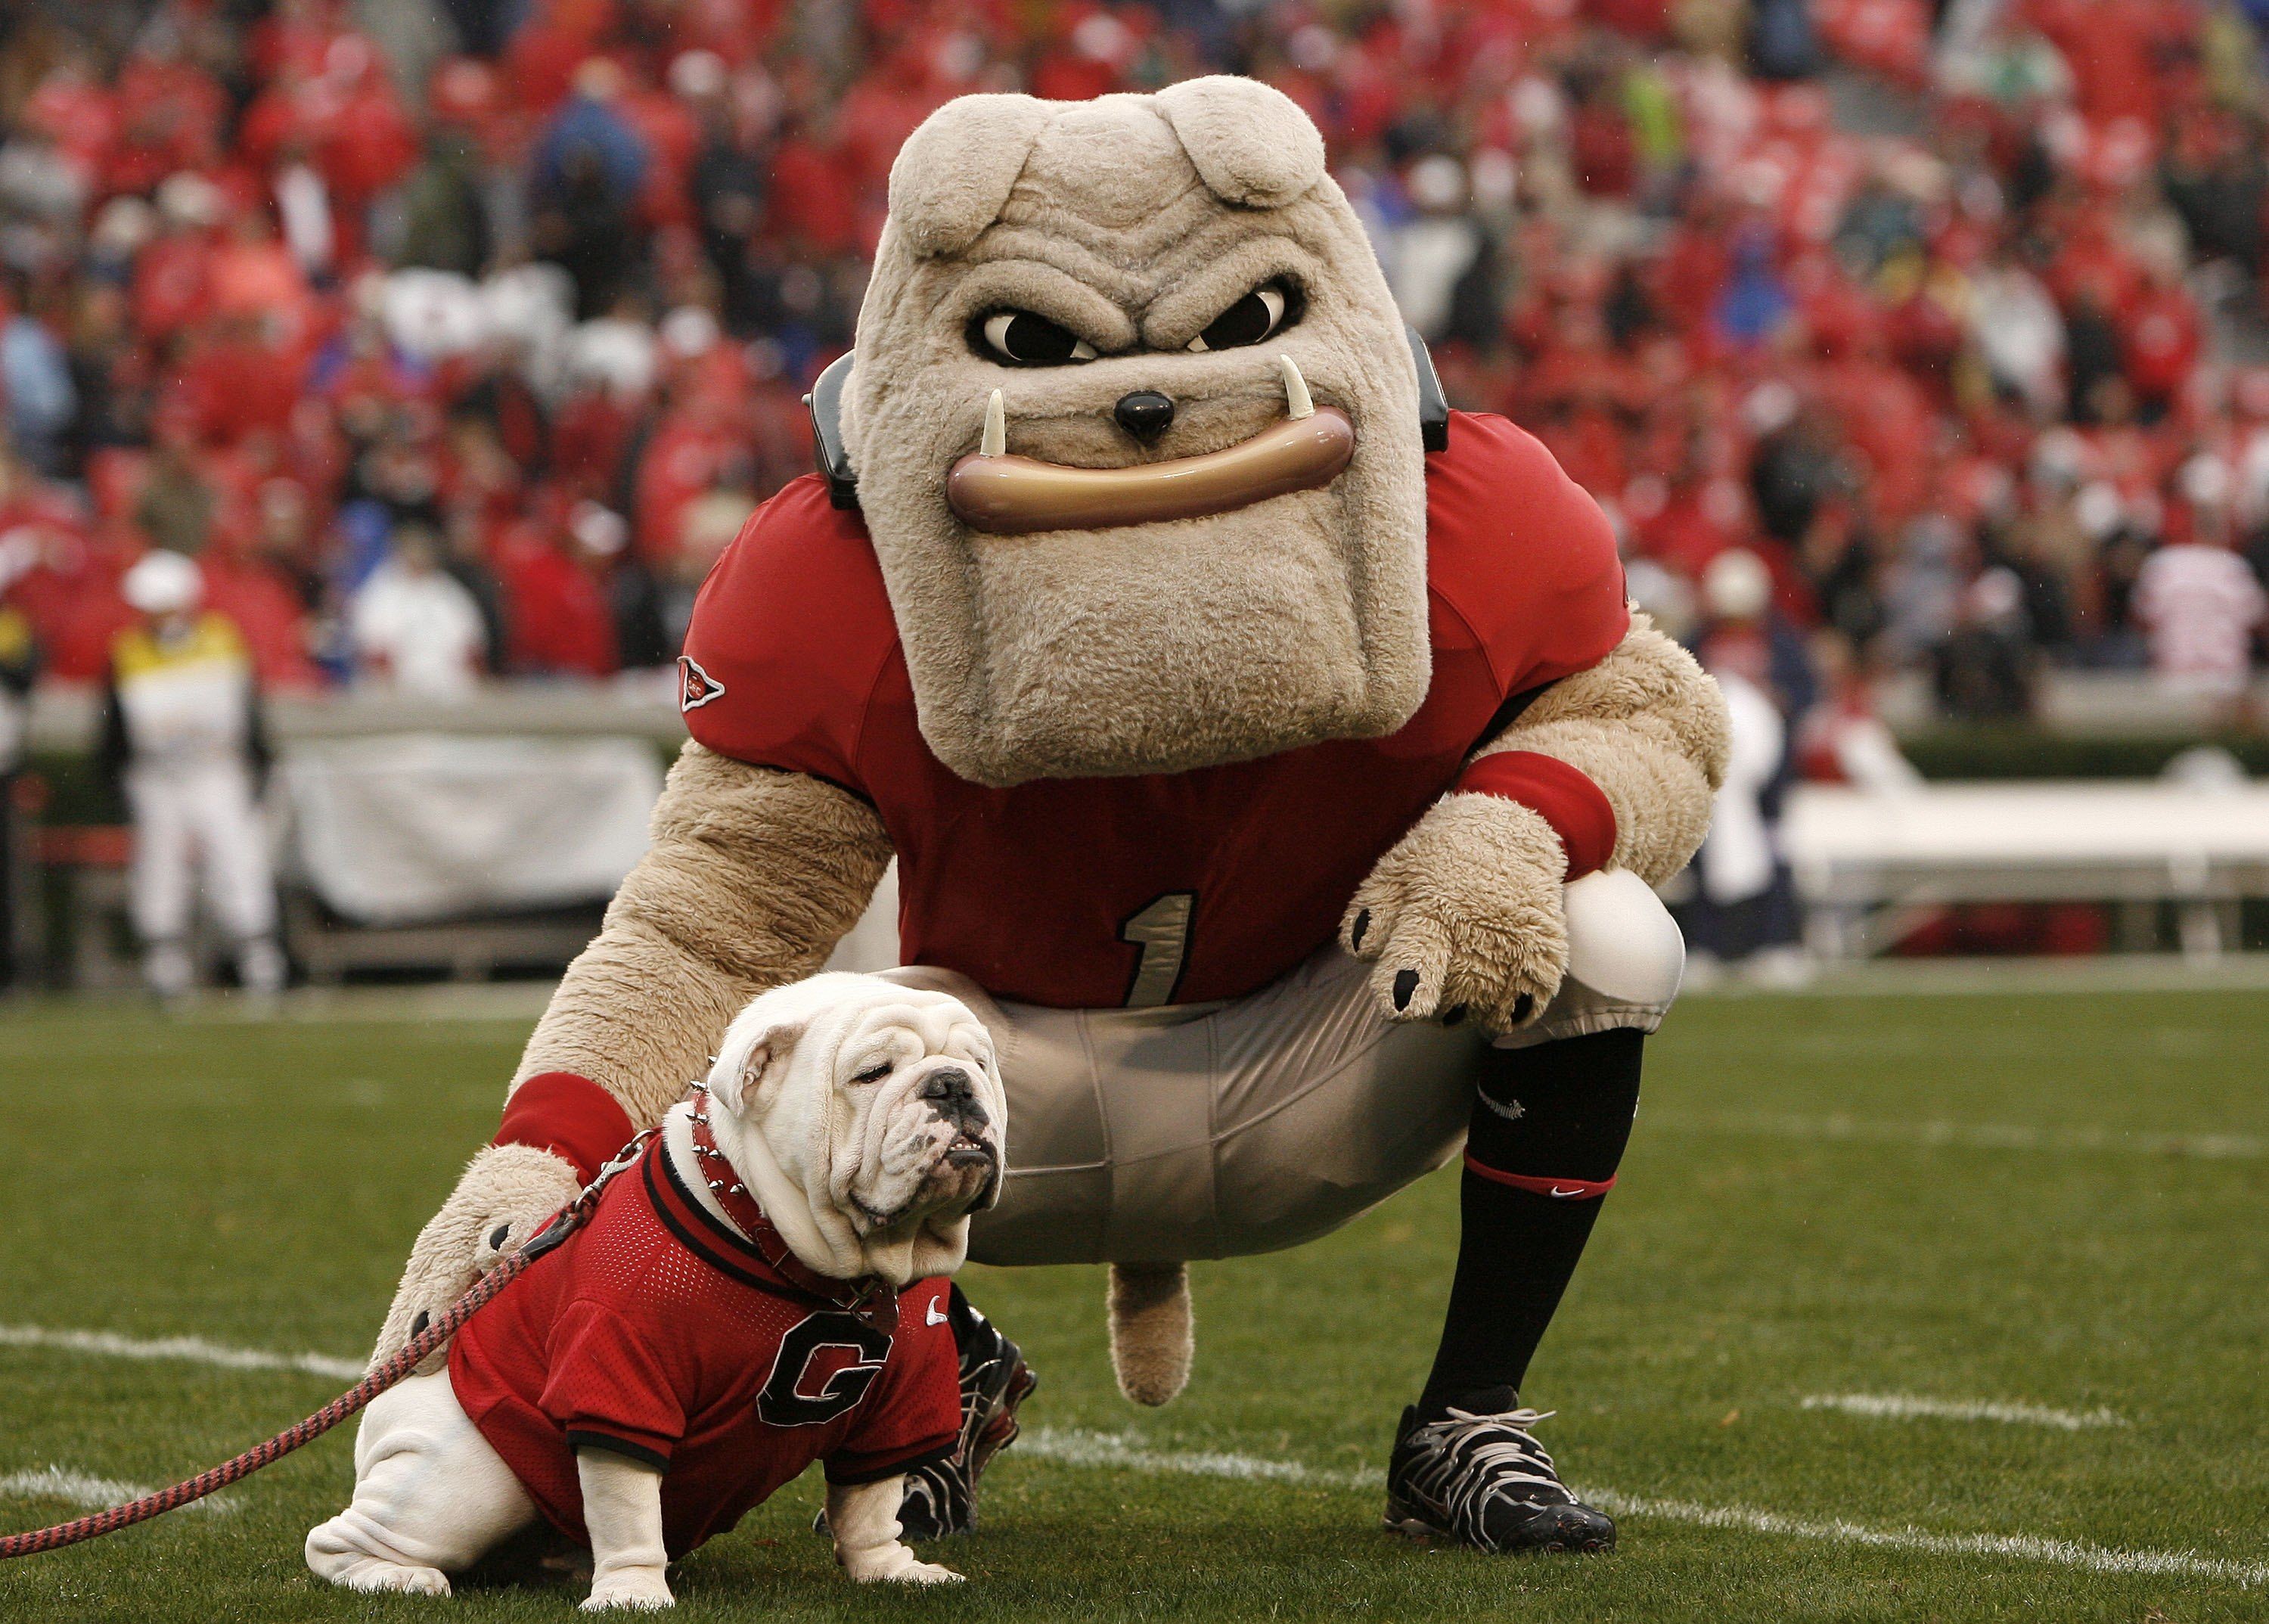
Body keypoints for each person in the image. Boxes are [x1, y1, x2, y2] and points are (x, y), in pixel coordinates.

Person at [97, 550, 284, 999]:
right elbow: (113, 726)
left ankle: (258, 956)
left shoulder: (223, 639)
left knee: (237, 859)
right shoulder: (128, 651)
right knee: (159, 867)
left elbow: (250, 708)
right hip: (157, 777)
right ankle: (165, 960)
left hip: (217, 770)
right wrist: (117, 779)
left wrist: (259, 762)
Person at [349, 524, 489, 697]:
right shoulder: (379, 593)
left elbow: (472, 644)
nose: (418, 556)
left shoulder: (448, 591)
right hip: (395, 693)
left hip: (448, 690)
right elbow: (372, 648)